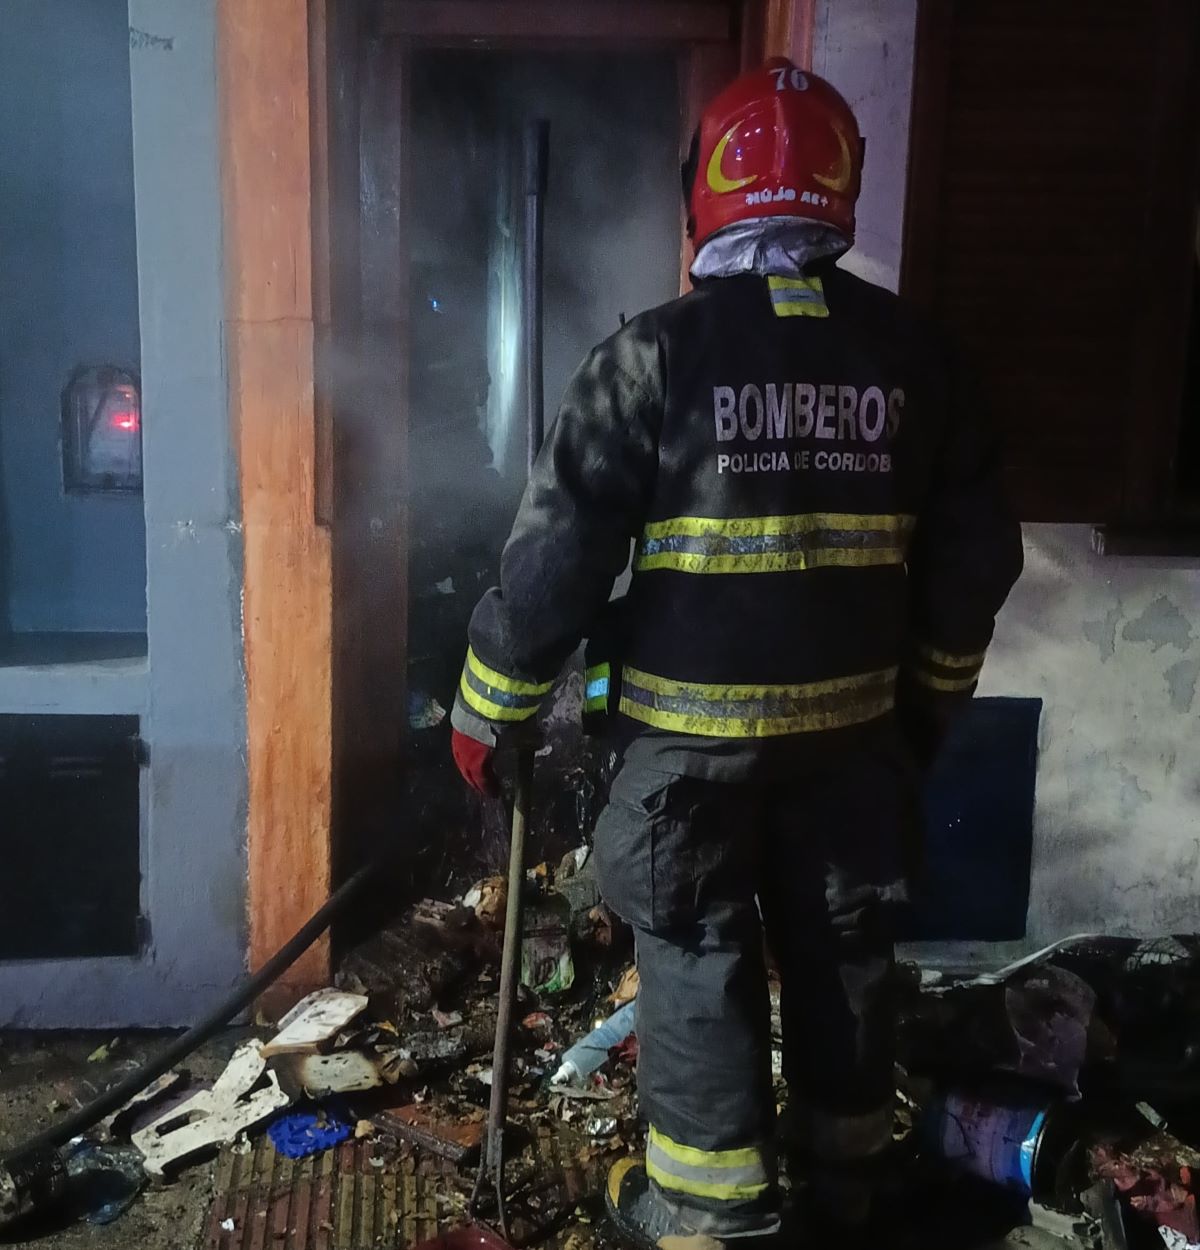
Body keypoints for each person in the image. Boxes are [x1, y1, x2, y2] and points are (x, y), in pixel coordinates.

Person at [450, 59, 1023, 1248]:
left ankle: (710, 1212)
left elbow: (554, 561)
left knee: (698, 945)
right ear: (839, 189)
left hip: (686, 757)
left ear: (702, 195)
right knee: (843, 950)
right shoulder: (920, 361)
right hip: (853, 746)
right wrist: (929, 706)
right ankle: (848, 1184)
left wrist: (488, 708)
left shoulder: (649, 360)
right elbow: (974, 563)